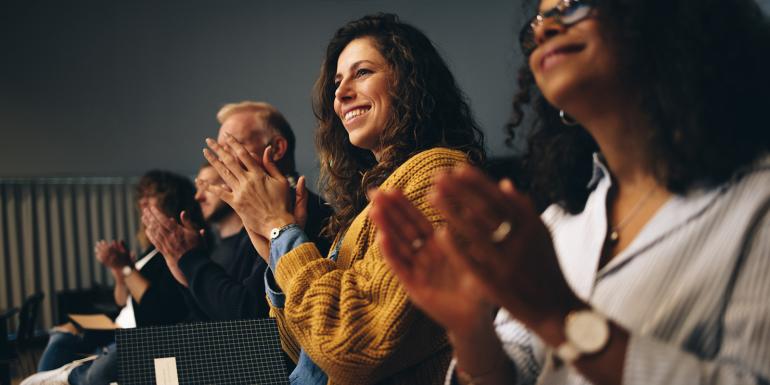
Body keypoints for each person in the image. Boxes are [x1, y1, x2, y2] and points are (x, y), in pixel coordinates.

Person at [370, 0, 770, 384]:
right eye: (538, 22)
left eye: (576, 4)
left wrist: (561, 318)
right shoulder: (558, 221)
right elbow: (515, 369)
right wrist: (470, 330)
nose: (546, 28)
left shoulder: (757, 201)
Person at [199, 13, 485, 385]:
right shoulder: (368, 200)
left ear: (411, 81)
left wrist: (280, 229)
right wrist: (275, 249)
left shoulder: (436, 174)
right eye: (337, 82)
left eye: (362, 72)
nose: (341, 93)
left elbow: (350, 349)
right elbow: (303, 351)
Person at [143, 102, 333, 321]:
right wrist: (187, 273)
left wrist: (192, 260)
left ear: (277, 149)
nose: (220, 162)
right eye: (218, 151)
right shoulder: (251, 218)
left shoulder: (300, 211)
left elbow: (249, 317)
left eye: (231, 147)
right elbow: (218, 315)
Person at [23, 170, 203, 385]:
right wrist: (119, 273)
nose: (142, 201)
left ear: (173, 200)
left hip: (135, 338)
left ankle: (63, 377)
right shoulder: (150, 252)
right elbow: (121, 301)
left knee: (78, 351)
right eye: (141, 197)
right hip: (117, 329)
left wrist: (127, 269)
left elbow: (156, 310)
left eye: (152, 195)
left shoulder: (175, 249)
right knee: (61, 334)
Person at [142, 163, 270, 320]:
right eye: (197, 188)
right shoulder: (213, 247)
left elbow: (247, 315)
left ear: (234, 183)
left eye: (208, 185)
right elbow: (208, 317)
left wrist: (191, 259)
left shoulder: (257, 243)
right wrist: (186, 280)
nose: (198, 197)